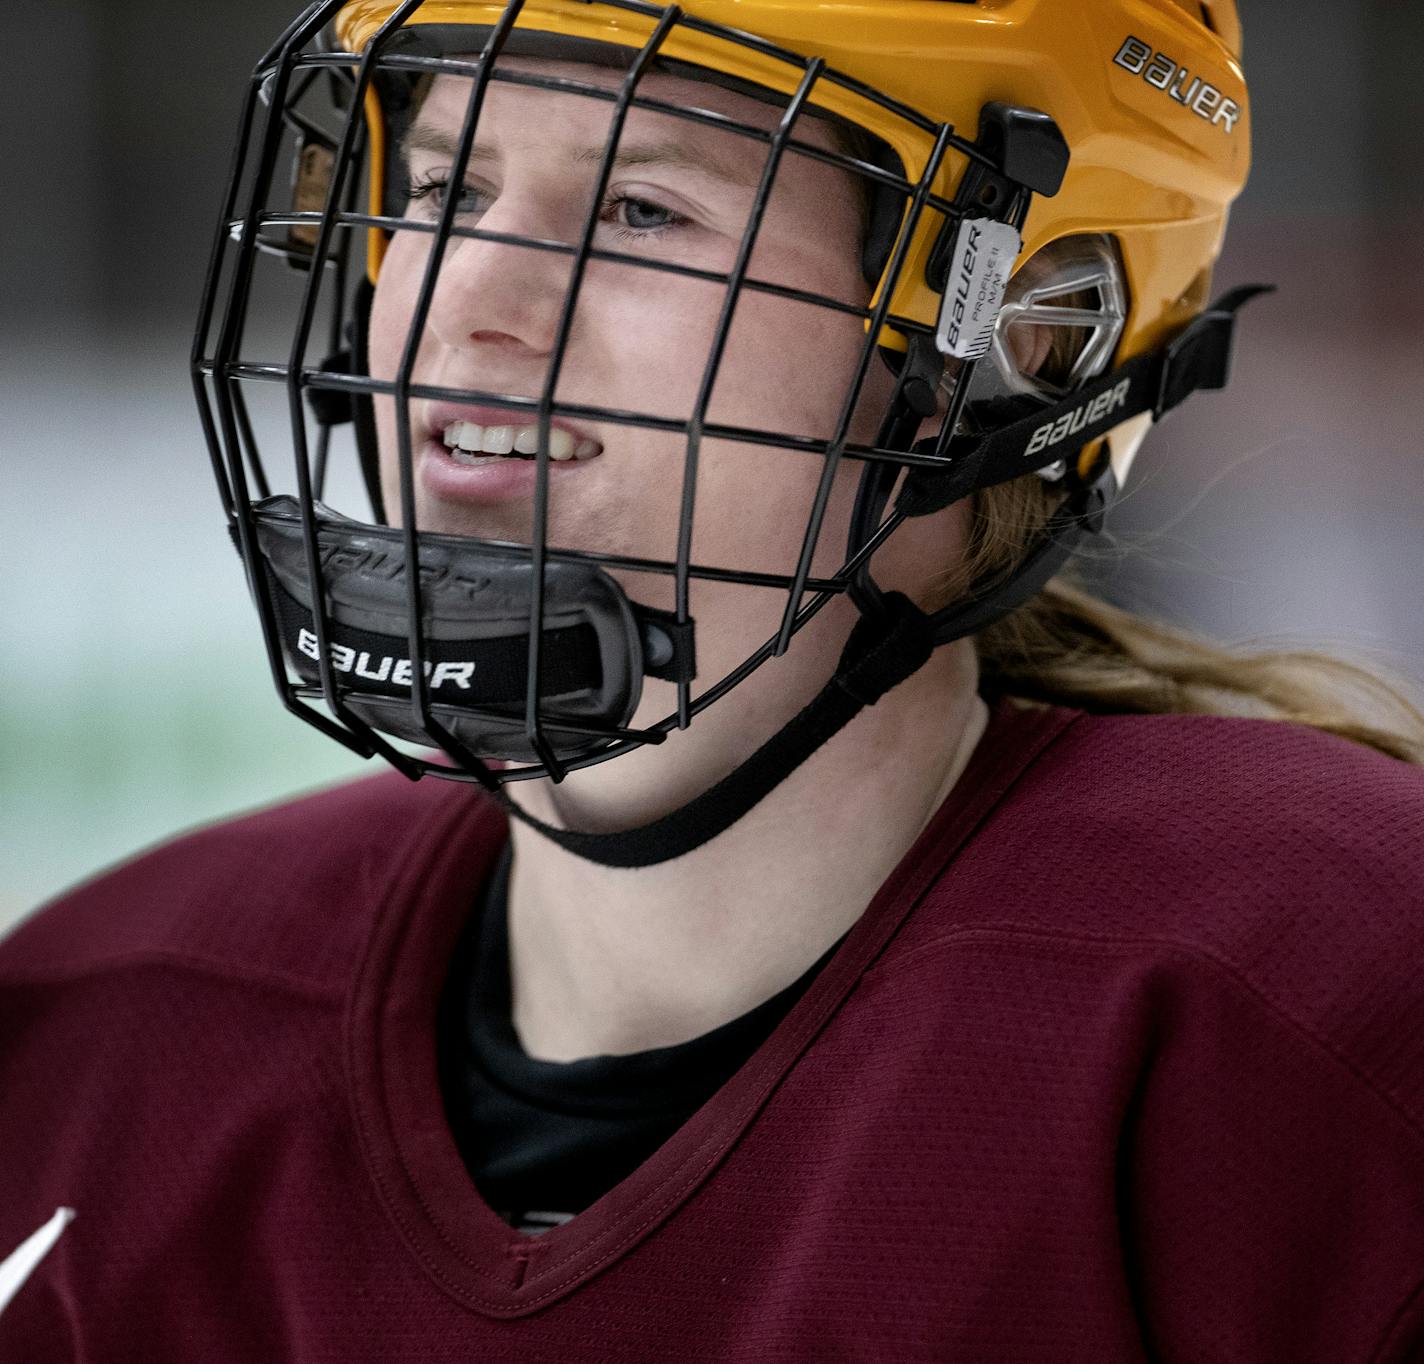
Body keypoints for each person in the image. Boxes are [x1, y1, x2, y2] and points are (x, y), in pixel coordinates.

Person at [3, 0, 1423, 1359]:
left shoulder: (1318, 1022)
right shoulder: (102, 1036)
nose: (465, 306)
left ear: (1024, 341)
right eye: (443, 192)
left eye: (642, 211)